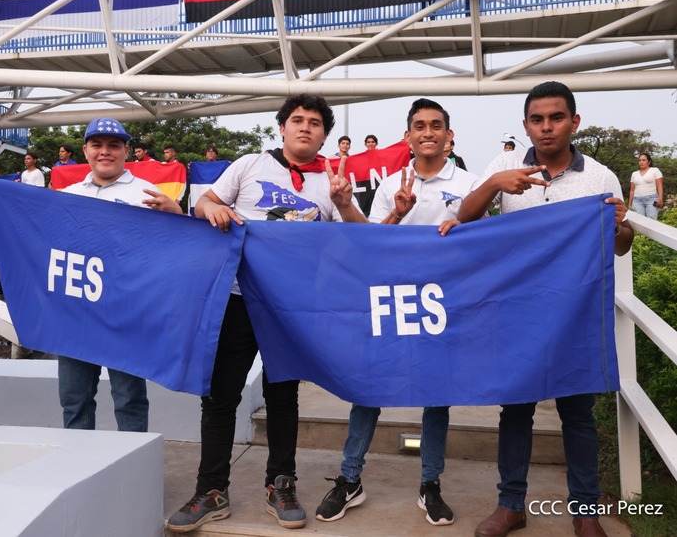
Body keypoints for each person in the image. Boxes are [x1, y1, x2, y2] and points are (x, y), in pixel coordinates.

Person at [167, 94, 367, 533]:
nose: (305, 127)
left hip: (290, 307)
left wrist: (345, 203)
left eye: (315, 122)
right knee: (220, 396)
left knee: (282, 397)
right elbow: (203, 204)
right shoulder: (249, 164)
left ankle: (281, 484)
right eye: (297, 119)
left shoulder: (332, 181)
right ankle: (211, 491)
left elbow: (362, 240)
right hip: (238, 299)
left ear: (324, 135)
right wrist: (214, 208)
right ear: (282, 127)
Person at [453, 81, 633, 537]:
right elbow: (464, 218)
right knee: (516, 409)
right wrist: (495, 184)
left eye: (556, 118)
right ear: (526, 125)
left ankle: (585, 512)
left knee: (578, 412)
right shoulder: (505, 166)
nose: (546, 127)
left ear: (575, 122)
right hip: (516, 311)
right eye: (537, 119)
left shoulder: (600, 177)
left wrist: (618, 225)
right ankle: (510, 505)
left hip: (575, 312)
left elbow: (621, 244)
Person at [315, 98, 478, 527]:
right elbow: (369, 243)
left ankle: (430, 484)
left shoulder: (470, 183)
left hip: (442, 304)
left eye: (436, 125)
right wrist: (395, 213)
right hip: (390, 300)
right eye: (419, 126)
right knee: (368, 390)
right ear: (408, 135)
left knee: (436, 396)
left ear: (449, 134)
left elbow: (482, 243)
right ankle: (350, 479)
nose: (428, 132)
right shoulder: (390, 185)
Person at [58, 118, 182, 433]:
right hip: (76, 312)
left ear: (126, 151)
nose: (105, 152)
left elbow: (179, 246)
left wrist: (177, 214)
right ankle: (78, 462)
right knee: (74, 399)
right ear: (85, 150)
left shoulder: (148, 193)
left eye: (114, 145)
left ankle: (133, 462)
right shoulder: (67, 195)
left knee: (129, 398)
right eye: (97, 145)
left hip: (128, 312)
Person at [628, 152, 663, 219]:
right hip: (637, 200)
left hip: (651, 199)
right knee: (639, 222)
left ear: (649, 162)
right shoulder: (634, 174)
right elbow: (632, 190)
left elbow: (659, 185)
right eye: (640, 160)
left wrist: (660, 199)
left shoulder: (654, 170)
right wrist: (630, 204)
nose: (641, 162)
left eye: (644, 160)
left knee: (651, 221)